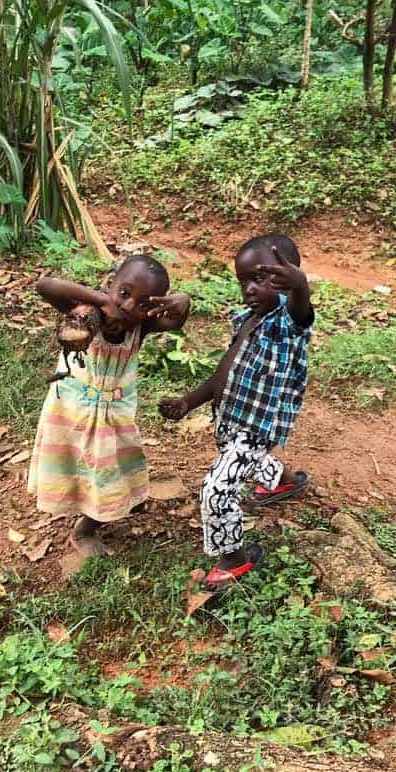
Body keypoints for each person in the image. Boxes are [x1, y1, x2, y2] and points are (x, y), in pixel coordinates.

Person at [159, 234, 313, 587]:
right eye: (243, 281)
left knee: (217, 489)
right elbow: (222, 374)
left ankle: (235, 560)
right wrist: (188, 402)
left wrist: (300, 286)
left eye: (258, 279)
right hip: (230, 420)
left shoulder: (287, 324)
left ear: (286, 279)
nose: (248, 290)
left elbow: (301, 311)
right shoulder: (247, 320)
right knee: (249, 461)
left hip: (256, 427)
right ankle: (285, 483)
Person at [29, 255, 190, 558]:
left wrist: (184, 303)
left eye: (143, 304)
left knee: (116, 467)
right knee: (79, 468)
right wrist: (103, 300)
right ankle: (84, 529)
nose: (129, 307)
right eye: (124, 293)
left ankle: (101, 513)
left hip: (114, 415)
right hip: (71, 411)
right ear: (111, 283)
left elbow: (175, 319)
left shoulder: (140, 328)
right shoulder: (84, 315)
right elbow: (45, 285)